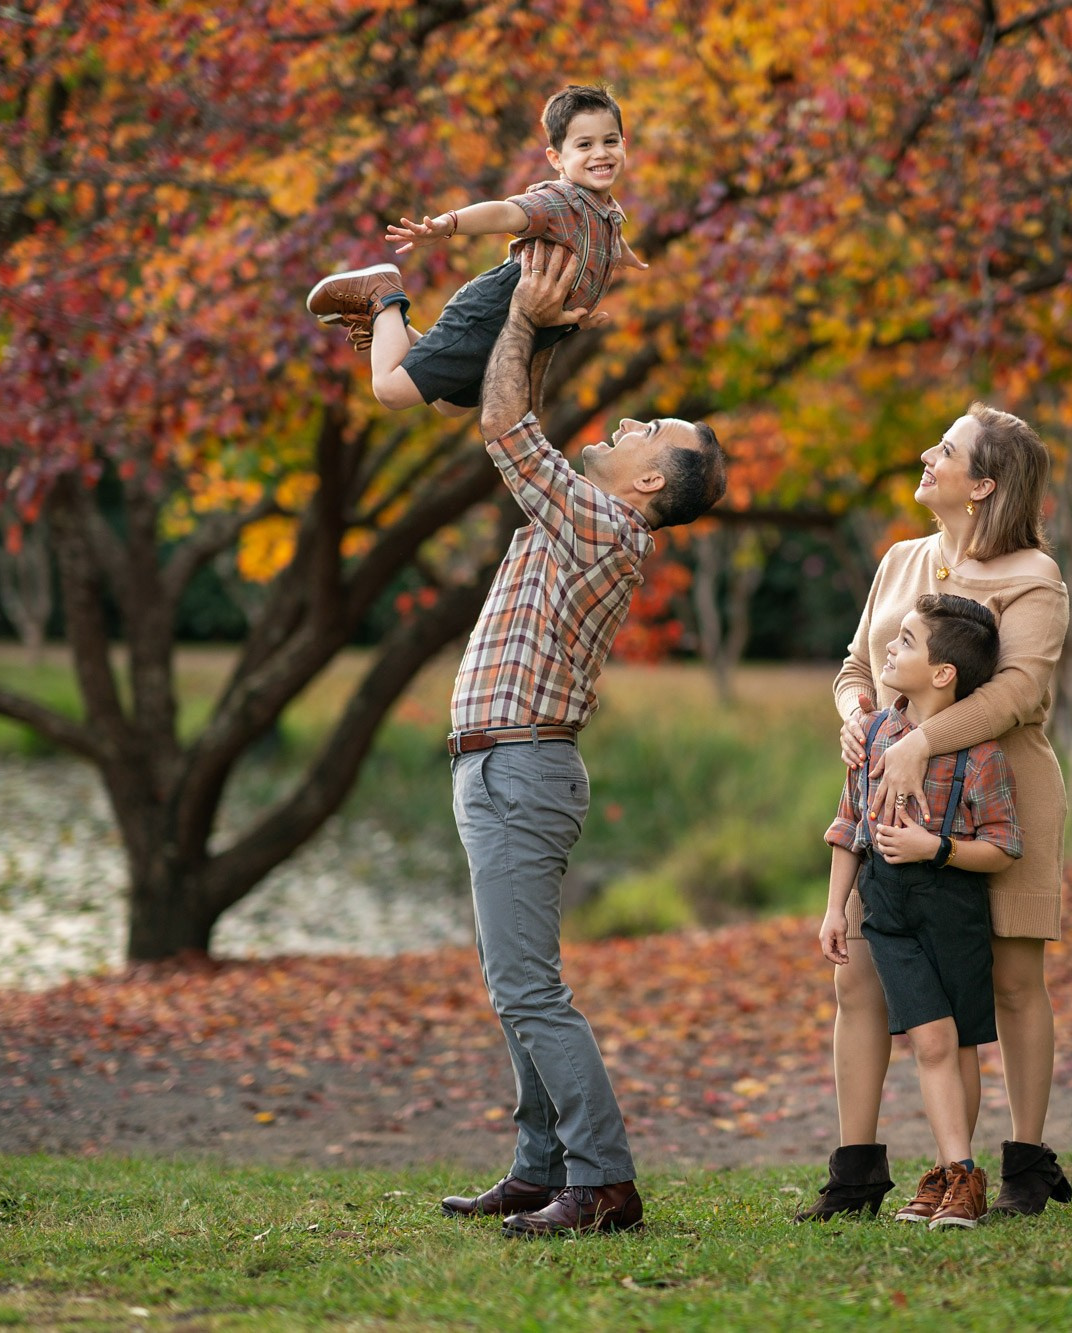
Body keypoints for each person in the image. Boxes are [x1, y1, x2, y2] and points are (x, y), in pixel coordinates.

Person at [432, 242, 725, 1238]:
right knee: (517, 984)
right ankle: (537, 1165)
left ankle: (602, 1183)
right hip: (502, 765)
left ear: (650, 479)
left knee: (528, 987)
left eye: (646, 429)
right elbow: (529, 422)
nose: (625, 424)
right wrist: (542, 329)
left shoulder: (603, 525)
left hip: (521, 768)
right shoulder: (584, 515)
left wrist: (518, 316)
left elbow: (506, 426)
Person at [806, 403, 1072, 1220]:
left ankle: (1024, 1161)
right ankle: (856, 1173)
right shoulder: (900, 561)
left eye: (947, 450)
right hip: (887, 803)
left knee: (1012, 979)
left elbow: (1020, 691)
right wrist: (858, 717)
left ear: (983, 484)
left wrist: (921, 744)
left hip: (1003, 795)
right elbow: (857, 667)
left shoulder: (1034, 577)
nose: (926, 454)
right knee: (859, 974)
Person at [810, 594, 1023, 1230]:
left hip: (953, 913)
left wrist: (938, 847)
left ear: (942, 673)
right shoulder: (871, 734)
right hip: (887, 914)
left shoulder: (980, 756)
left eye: (904, 641)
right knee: (932, 1038)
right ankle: (962, 1176)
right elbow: (850, 826)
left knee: (958, 1047)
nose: (889, 651)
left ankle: (947, 1178)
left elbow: (1005, 847)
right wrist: (833, 910)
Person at [303, 84, 645, 414]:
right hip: (495, 308)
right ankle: (380, 296)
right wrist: (448, 225)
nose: (601, 152)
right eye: (585, 145)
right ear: (556, 159)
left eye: (610, 141)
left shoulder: (607, 209)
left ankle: (391, 323)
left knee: (451, 404)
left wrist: (623, 255)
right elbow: (504, 212)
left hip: (534, 326)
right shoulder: (559, 200)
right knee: (392, 391)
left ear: (624, 145)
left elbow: (606, 236)